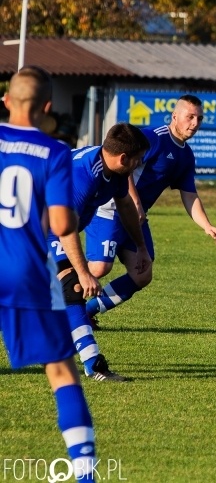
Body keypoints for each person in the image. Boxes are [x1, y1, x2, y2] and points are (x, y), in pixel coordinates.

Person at [0, 66, 97, 481]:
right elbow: (61, 224)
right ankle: (86, 473)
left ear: (6, 100)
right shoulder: (55, 152)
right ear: (47, 107)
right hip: (26, 272)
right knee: (60, 371)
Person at [83, 95, 216, 321]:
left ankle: (86, 312)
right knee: (99, 268)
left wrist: (206, 225)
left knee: (142, 274)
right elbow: (124, 167)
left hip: (135, 218)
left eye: (199, 118)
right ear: (175, 116)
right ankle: (54, 303)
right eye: (190, 117)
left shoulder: (186, 156)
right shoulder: (153, 138)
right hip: (110, 210)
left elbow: (189, 195)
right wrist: (136, 202)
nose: (194, 123)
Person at [49, 122, 151, 382]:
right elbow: (65, 229)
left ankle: (89, 361)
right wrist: (84, 273)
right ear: (123, 158)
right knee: (73, 284)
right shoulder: (83, 175)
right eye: (138, 159)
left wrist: (140, 247)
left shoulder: (113, 170)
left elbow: (126, 206)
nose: (140, 164)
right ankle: (93, 364)